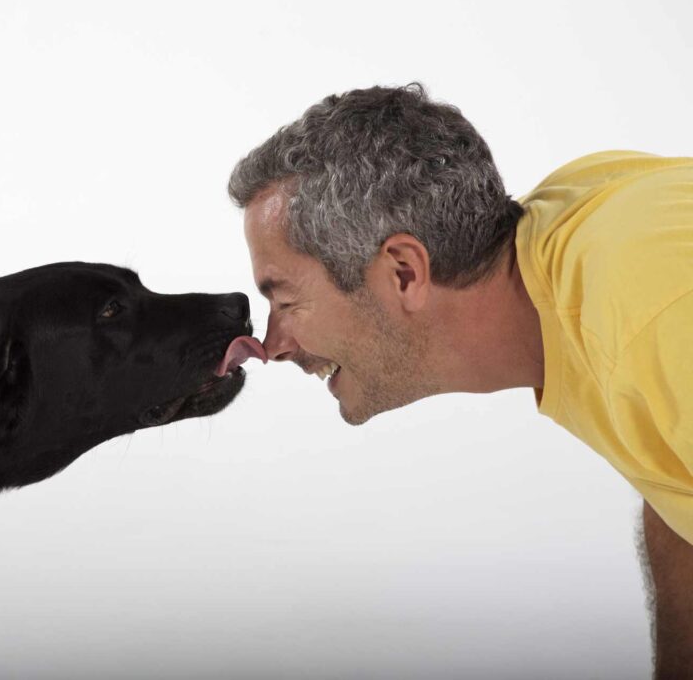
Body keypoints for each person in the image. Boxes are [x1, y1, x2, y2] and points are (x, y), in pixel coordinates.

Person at [229, 83, 693, 678]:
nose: (273, 346)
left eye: (286, 299)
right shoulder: (578, 227)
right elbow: (674, 490)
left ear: (403, 272)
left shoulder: (647, 322)